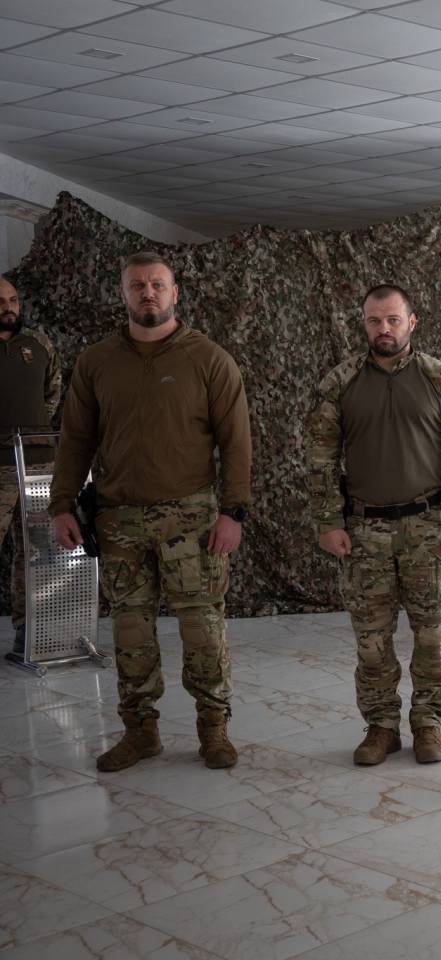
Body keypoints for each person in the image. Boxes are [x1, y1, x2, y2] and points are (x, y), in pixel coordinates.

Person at [50, 251, 251, 771]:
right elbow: (75, 439)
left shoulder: (209, 359)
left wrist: (234, 512)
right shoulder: (97, 362)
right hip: (118, 519)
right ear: (123, 293)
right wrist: (61, 505)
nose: (148, 293)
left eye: (157, 284)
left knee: (202, 627)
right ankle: (140, 732)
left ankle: (214, 729)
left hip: (192, 519)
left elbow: (236, 442)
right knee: (130, 632)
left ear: (174, 292)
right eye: (137, 285)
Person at [306, 283, 441, 766]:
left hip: (429, 527)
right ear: (363, 324)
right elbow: (320, 457)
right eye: (374, 321)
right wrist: (327, 520)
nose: (383, 329)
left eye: (392, 320)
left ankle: (429, 724)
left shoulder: (440, 378)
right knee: (371, 642)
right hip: (365, 531)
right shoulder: (340, 382)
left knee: (433, 637)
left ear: (411, 322)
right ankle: (381, 727)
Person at [0, 277, 62, 656]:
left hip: (39, 464)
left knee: (36, 550)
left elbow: (52, 393)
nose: (8, 307)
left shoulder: (39, 344)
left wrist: (33, 433)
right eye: (1, 301)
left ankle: (29, 633)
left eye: (13, 300)